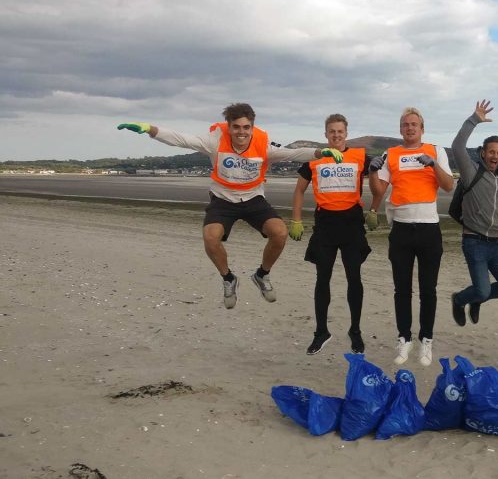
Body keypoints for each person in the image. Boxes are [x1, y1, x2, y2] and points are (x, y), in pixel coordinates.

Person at [116, 103, 343, 309]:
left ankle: (262, 275)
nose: (241, 132)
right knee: (210, 237)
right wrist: (149, 129)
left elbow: (292, 154)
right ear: (229, 126)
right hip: (222, 199)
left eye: (246, 127)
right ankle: (228, 278)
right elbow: (180, 139)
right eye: (236, 127)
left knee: (280, 233)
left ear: (252, 127)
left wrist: (320, 152)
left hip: (253, 199)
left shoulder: (263, 144)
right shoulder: (214, 140)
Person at [368, 107, 455, 366]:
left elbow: (449, 186)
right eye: (405, 124)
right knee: (401, 289)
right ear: (400, 129)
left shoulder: (436, 150)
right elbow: (378, 191)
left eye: (414, 124)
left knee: (428, 289)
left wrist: (434, 165)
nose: (409, 128)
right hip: (402, 229)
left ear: (422, 128)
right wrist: (373, 171)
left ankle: (426, 340)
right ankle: (404, 339)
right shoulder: (390, 154)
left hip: (429, 228)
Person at [288, 114, 371, 355]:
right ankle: (321, 332)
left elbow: (384, 173)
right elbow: (299, 190)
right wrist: (296, 220)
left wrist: (375, 206)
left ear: (346, 133)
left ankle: (355, 331)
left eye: (340, 131)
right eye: (332, 131)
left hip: (352, 223)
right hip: (325, 225)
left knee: (354, 279)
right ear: (326, 134)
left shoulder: (360, 157)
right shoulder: (315, 160)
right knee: (322, 279)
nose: (336, 135)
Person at [449, 100, 498, 327]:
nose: (495, 156)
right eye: (491, 152)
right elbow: (457, 146)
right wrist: (474, 120)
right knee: (481, 289)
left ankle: (477, 298)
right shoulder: (470, 170)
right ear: (483, 153)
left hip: (496, 243)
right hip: (473, 241)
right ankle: (460, 299)